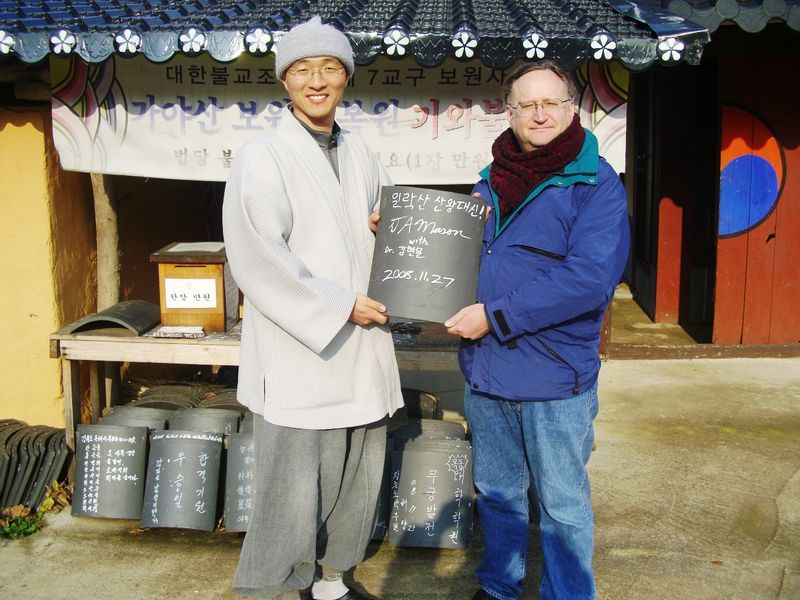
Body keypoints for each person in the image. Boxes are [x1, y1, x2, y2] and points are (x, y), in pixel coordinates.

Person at [222, 16, 403, 600]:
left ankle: (332, 581)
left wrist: (387, 230)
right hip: (304, 349)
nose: (317, 80)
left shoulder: (361, 153)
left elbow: (382, 236)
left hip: (363, 345)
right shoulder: (263, 157)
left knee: (357, 473)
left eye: (330, 67)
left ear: (346, 77)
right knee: (292, 487)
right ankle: (269, 588)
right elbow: (257, 258)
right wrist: (337, 306)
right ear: (285, 81)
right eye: (302, 69)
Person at [444, 61, 630, 600]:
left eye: (551, 102)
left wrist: (496, 315)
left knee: (562, 503)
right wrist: (400, 236)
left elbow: (588, 280)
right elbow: (457, 251)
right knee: (498, 493)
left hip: (554, 376)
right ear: (511, 111)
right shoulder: (488, 180)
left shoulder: (595, 183)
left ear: (573, 109)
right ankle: (500, 585)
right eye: (527, 104)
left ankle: (567, 593)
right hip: (487, 371)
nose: (540, 113)